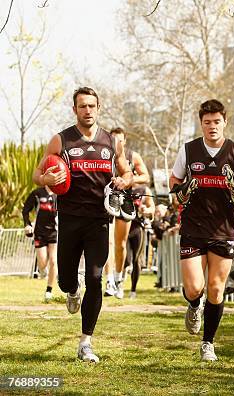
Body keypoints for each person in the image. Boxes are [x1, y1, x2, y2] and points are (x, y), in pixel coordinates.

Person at [32, 87, 133, 363]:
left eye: (92, 106)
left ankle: (86, 342)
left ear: (98, 108)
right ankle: (72, 289)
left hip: (100, 220)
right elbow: (37, 174)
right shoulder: (61, 140)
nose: (87, 110)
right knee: (65, 279)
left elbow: (126, 172)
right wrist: (46, 181)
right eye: (82, 106)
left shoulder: (112, 143)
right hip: (69, 219)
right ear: (74, 109)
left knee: (96, 278)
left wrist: (125, 181)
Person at [169, 99, 234, 362]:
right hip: (194, 227)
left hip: (223, 229)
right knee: (195, 287)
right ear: (201, 124)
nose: (212, 127)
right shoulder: (189, 150)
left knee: (216, 289)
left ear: (224, 122)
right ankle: (194, 305)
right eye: (207, 122)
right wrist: (180, 190)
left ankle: (208, 343)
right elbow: (174, 179)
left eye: (216, 121)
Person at [108, 127, 150, 299]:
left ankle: (118, 278)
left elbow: (145, 177)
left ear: (124, 141)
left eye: (120, 139)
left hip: (125, 201)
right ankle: (109, 280)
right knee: (108, 243)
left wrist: (128, 179)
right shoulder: (103, 154)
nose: (116, 143)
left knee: (120, 245)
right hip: (105, 199)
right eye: (113, 140)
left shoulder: (133, 156)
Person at [22, 186, 58, 301]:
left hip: (54, 232)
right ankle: (43, 271)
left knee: (53, 261)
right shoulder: (37, 193)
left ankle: (49, 290)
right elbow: (25, 210)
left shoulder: (60, 194)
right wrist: (27, 225)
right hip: (40, 233)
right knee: (42, 263)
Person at [124, 184, 155, 299]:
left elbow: (152, 208)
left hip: (137, 227)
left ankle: (133, 290)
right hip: (123, 226)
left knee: (137, 259)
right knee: (125, 260)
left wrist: (146, 210)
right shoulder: (121, 185)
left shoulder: (144, 189)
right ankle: (119, 281)